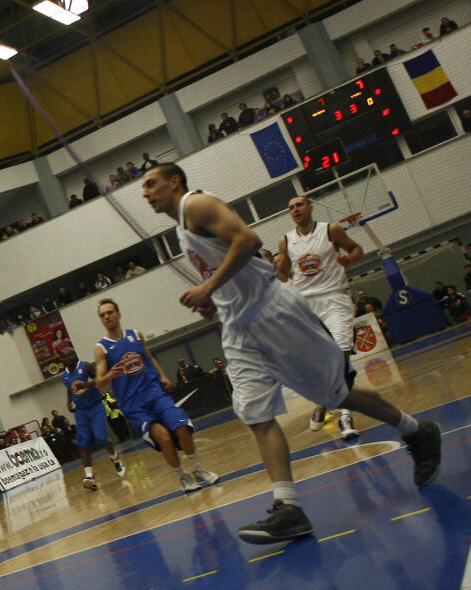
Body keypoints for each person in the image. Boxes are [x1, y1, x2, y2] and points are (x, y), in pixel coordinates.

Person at [140, 162, 441, 544]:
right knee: (254, 413)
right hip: (237, 326)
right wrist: (214, 298)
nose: (147, 193)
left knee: (336, 395)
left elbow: (248, 241)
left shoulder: (197, 205)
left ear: (175, 182)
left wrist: (209, 285)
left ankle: (417, 432)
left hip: (273, 311)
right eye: (144, 189)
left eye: (152, 184)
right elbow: (235, 267)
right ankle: (289, 508)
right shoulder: (182, 231)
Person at [84, 299, 218, 494]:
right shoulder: (102, 348)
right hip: (133, 405)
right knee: (164, 438)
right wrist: (111, 375)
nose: (107, 317)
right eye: (102, 315)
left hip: (155, 394)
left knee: (181, 426)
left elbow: (150, 357)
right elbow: (101, 383)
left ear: (118, 314)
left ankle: (198, 470)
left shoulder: (136, 335)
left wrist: (163, 376)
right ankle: (183, 477)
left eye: (110, 312)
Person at [276, 195, 365, 439]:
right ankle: (323, 401)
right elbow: (282, 275)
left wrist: (350, 259)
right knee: (319, 364)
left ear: (310, 207)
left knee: (341, 356)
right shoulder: (286, 241)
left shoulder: (331, 230)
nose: (295, 209)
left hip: (335, 299)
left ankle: (345, 416)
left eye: (299, 205)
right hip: (307, 307)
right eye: (291, 207)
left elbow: (357, 249)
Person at [61, 359, 124, 491]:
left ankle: (115, 458)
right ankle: (89, 477)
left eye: (72, 353)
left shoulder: (86, 366)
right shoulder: (64, 376)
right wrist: (68, 401)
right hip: (81, 410)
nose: (72, 356)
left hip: (95, 405)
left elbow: (100, 379)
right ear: (62, 359)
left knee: (101, 437)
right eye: (68, 355)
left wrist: (87, 385)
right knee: (83, 444)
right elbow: (68, 388)